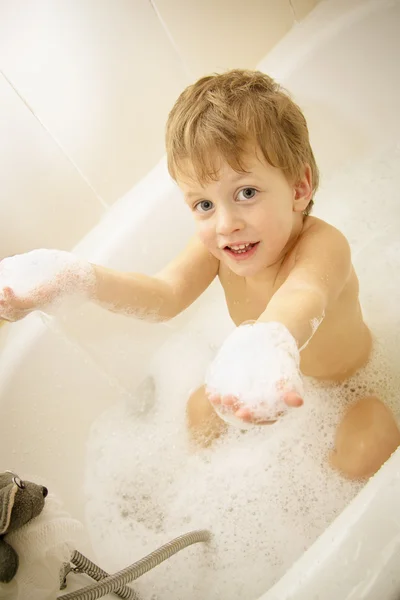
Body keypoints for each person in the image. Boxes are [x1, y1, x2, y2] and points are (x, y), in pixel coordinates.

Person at [1, 70, 399, 479]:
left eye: (246, 193)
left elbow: (299, 302)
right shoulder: (220, 248)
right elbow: (163, 295)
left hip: (349, 391)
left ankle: (318, 477)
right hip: (264, 377)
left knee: (371, 447)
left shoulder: (323, 247)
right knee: (198, 409)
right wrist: (79, 279)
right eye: (203, 205)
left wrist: (265, 348)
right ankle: (207, 483)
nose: (226, 224)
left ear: (299, 189)